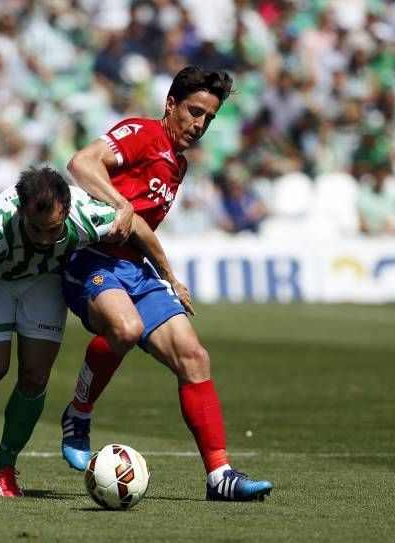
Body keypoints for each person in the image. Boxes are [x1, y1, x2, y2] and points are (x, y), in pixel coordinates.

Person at [0, 166, 185, 497]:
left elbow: (137, 227)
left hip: (44, 283)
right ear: (20, 210)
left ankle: (3, 467)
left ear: (66, 211)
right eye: (36, 229)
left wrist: (169, 277)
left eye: (53, 230)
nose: (45, 239)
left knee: (35, 378)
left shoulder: (86, 214)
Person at [59, 66, 273, 501]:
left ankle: (220, 476)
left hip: (136, 269)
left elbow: (140, 229)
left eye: (209, 119)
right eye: (194, 112)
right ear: (171, 104)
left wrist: (169, 277)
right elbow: (80, 163)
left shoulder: (178, 163)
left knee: (194, 356)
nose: (200, 125)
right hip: (90, 260)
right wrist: (119, 202)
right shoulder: (140, 132)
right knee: (125, 329)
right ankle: (79, 411)